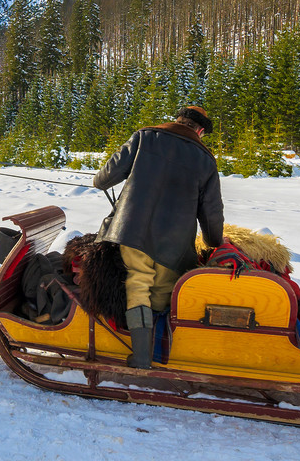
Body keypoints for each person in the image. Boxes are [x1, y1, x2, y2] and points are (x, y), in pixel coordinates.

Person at [94, 105, 224, 368]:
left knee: (138, 284)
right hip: (175, 246)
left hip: (132, 231)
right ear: (200, 130)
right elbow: (211, 213)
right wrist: (214, 244)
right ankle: (159, 353)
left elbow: (102, 180)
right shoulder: (206, 160)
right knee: (163, 294)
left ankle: (140, 356)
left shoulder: (144, 137)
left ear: (177, 119)